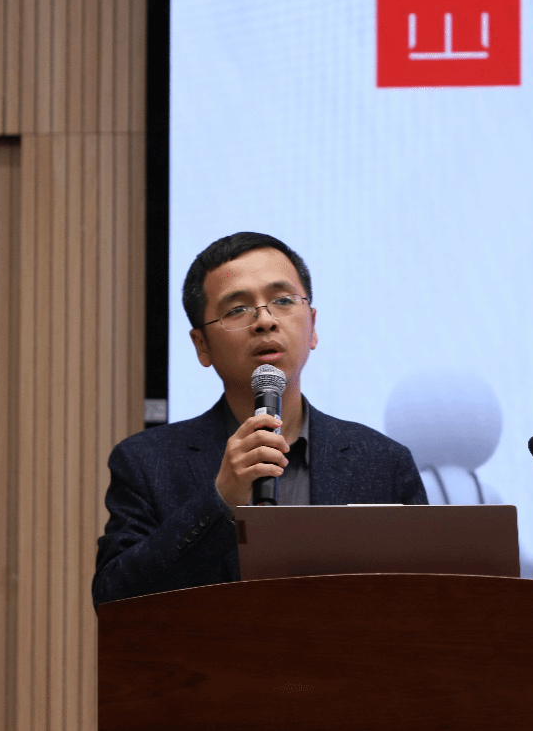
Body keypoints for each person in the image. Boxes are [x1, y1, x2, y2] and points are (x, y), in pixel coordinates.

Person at [92, 232, 427, 607]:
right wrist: (219, 500)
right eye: (237, 309)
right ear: (202, 345)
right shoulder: (146, 462)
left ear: (312, 325)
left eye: (283, 301)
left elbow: (428, 603)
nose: (265, 320)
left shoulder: (383, 463)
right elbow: (113, 600)